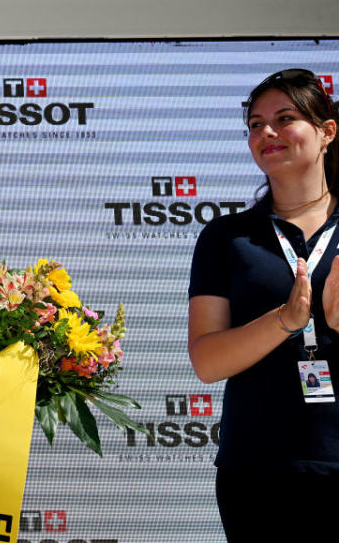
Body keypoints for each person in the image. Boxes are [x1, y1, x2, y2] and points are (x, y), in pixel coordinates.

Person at [188, 68, 339, 541]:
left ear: (327, 132)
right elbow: (207, 362)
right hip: (257, 470)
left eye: (284, 118)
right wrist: (286, 321)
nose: (266, 133)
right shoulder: (226, 238)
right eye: (255, 124)